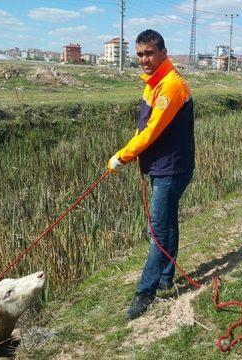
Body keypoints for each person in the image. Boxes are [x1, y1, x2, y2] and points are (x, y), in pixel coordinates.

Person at [106, 29, 195, 320]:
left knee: (157, 231)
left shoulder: (170, 86)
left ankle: (145, 291)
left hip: (171, 168)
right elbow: (143, 127)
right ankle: (166, 276)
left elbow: (153, 130)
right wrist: (130, 150)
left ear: (162, 52)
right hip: (161, 166)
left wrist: (123, 156)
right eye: (140, 53)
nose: (144, 59)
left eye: (149, 53)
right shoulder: (152, 83)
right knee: (167, 223)